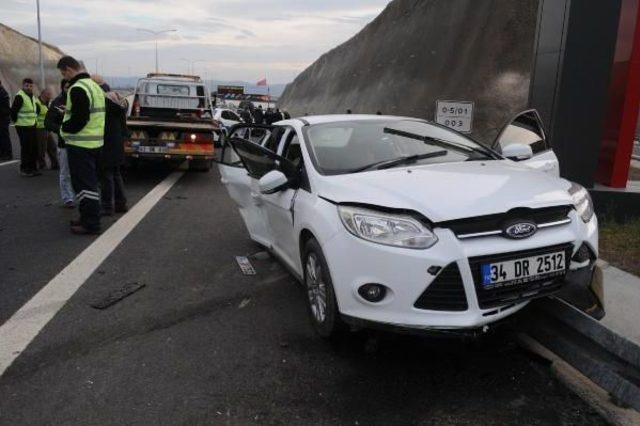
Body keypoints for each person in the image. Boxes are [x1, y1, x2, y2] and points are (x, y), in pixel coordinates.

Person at [57, 56, 106, 235]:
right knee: (90, 183)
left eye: (64, 73)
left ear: (69, 69)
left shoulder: (77, 88)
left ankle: (91, 223)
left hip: (81, 145)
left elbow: (79, 119)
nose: (65, 77)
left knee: (84, 186)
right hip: (95, 143)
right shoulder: (94, 86)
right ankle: (87, 217)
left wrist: (64, 127)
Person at [96, 81, 128, 216]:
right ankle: (120, 203)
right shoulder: (119, 104)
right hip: (117, 143)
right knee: (115, 174)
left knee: (106, 176)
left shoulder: (104, 104)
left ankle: (107, 205)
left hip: (106, 144)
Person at [45, 80, 75, 208]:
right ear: (62, 88)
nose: (70, 89)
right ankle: (68, 198)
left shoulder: (80, 100)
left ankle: (81, 196)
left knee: (81, 172)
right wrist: (61, 130)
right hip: (65, 143)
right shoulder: (57, 103)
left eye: (72, 87)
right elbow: (48, 122)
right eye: (67, 87)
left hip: (82, 143)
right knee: (65, 172)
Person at [11, 78, 40, 176]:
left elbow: (36, 107)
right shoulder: (20, 96)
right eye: (27, 86)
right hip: (22, 126)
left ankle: (33, 168)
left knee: (33, 148)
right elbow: (13, 111)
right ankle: (25, 169)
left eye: (31, 86)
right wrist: (16, 121)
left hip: (32, 124)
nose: (29, 88)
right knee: (26, 148)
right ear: (23, 86)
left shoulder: (32, 96)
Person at [35, 89, 59, 170]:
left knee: (52, 147)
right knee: (41, 148)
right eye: (48, 94)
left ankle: (55, 164)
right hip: (40, 129)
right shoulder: (37, 104)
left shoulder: (48, 103)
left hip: (46, 128)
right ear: (43, 94)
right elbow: (34, 117)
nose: (50, 96)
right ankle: (41, 164)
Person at [0, 80, 12, 160]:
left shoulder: (3, 93)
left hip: (3, 119)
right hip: (2, 118)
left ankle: (8, 154)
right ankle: (2, 153)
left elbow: (6, 109)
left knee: (4, 137)